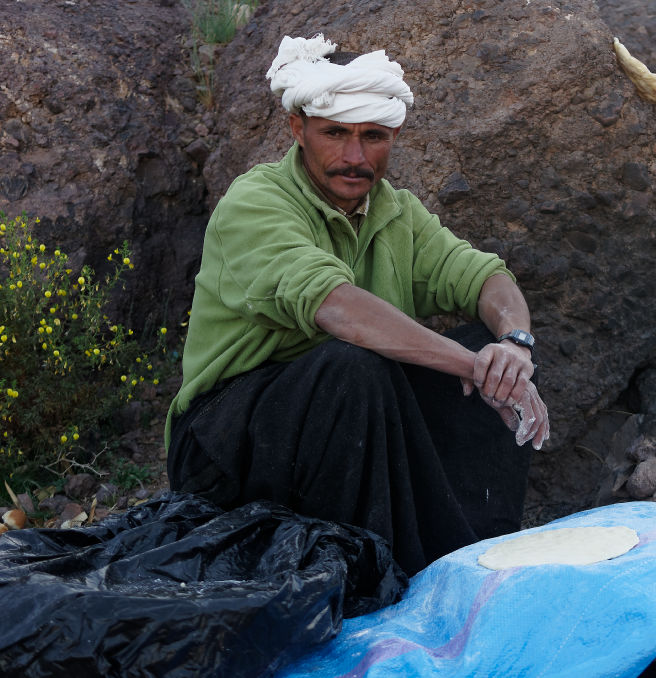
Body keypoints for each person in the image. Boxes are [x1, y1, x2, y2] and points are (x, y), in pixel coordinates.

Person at [165, 34, 549, 575]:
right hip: (221, 447)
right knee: (359, 364)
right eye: (335, 134)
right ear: (297, 129)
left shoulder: (395, 211)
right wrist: (474, 369)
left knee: (489, 357)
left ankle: (470, 558)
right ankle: (364, 572)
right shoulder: (254, 203)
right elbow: (335, 306)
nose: (354, 157)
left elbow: (483, 276)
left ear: (393, 135)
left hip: (338, 422)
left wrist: (513, 346)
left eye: (373, 137)